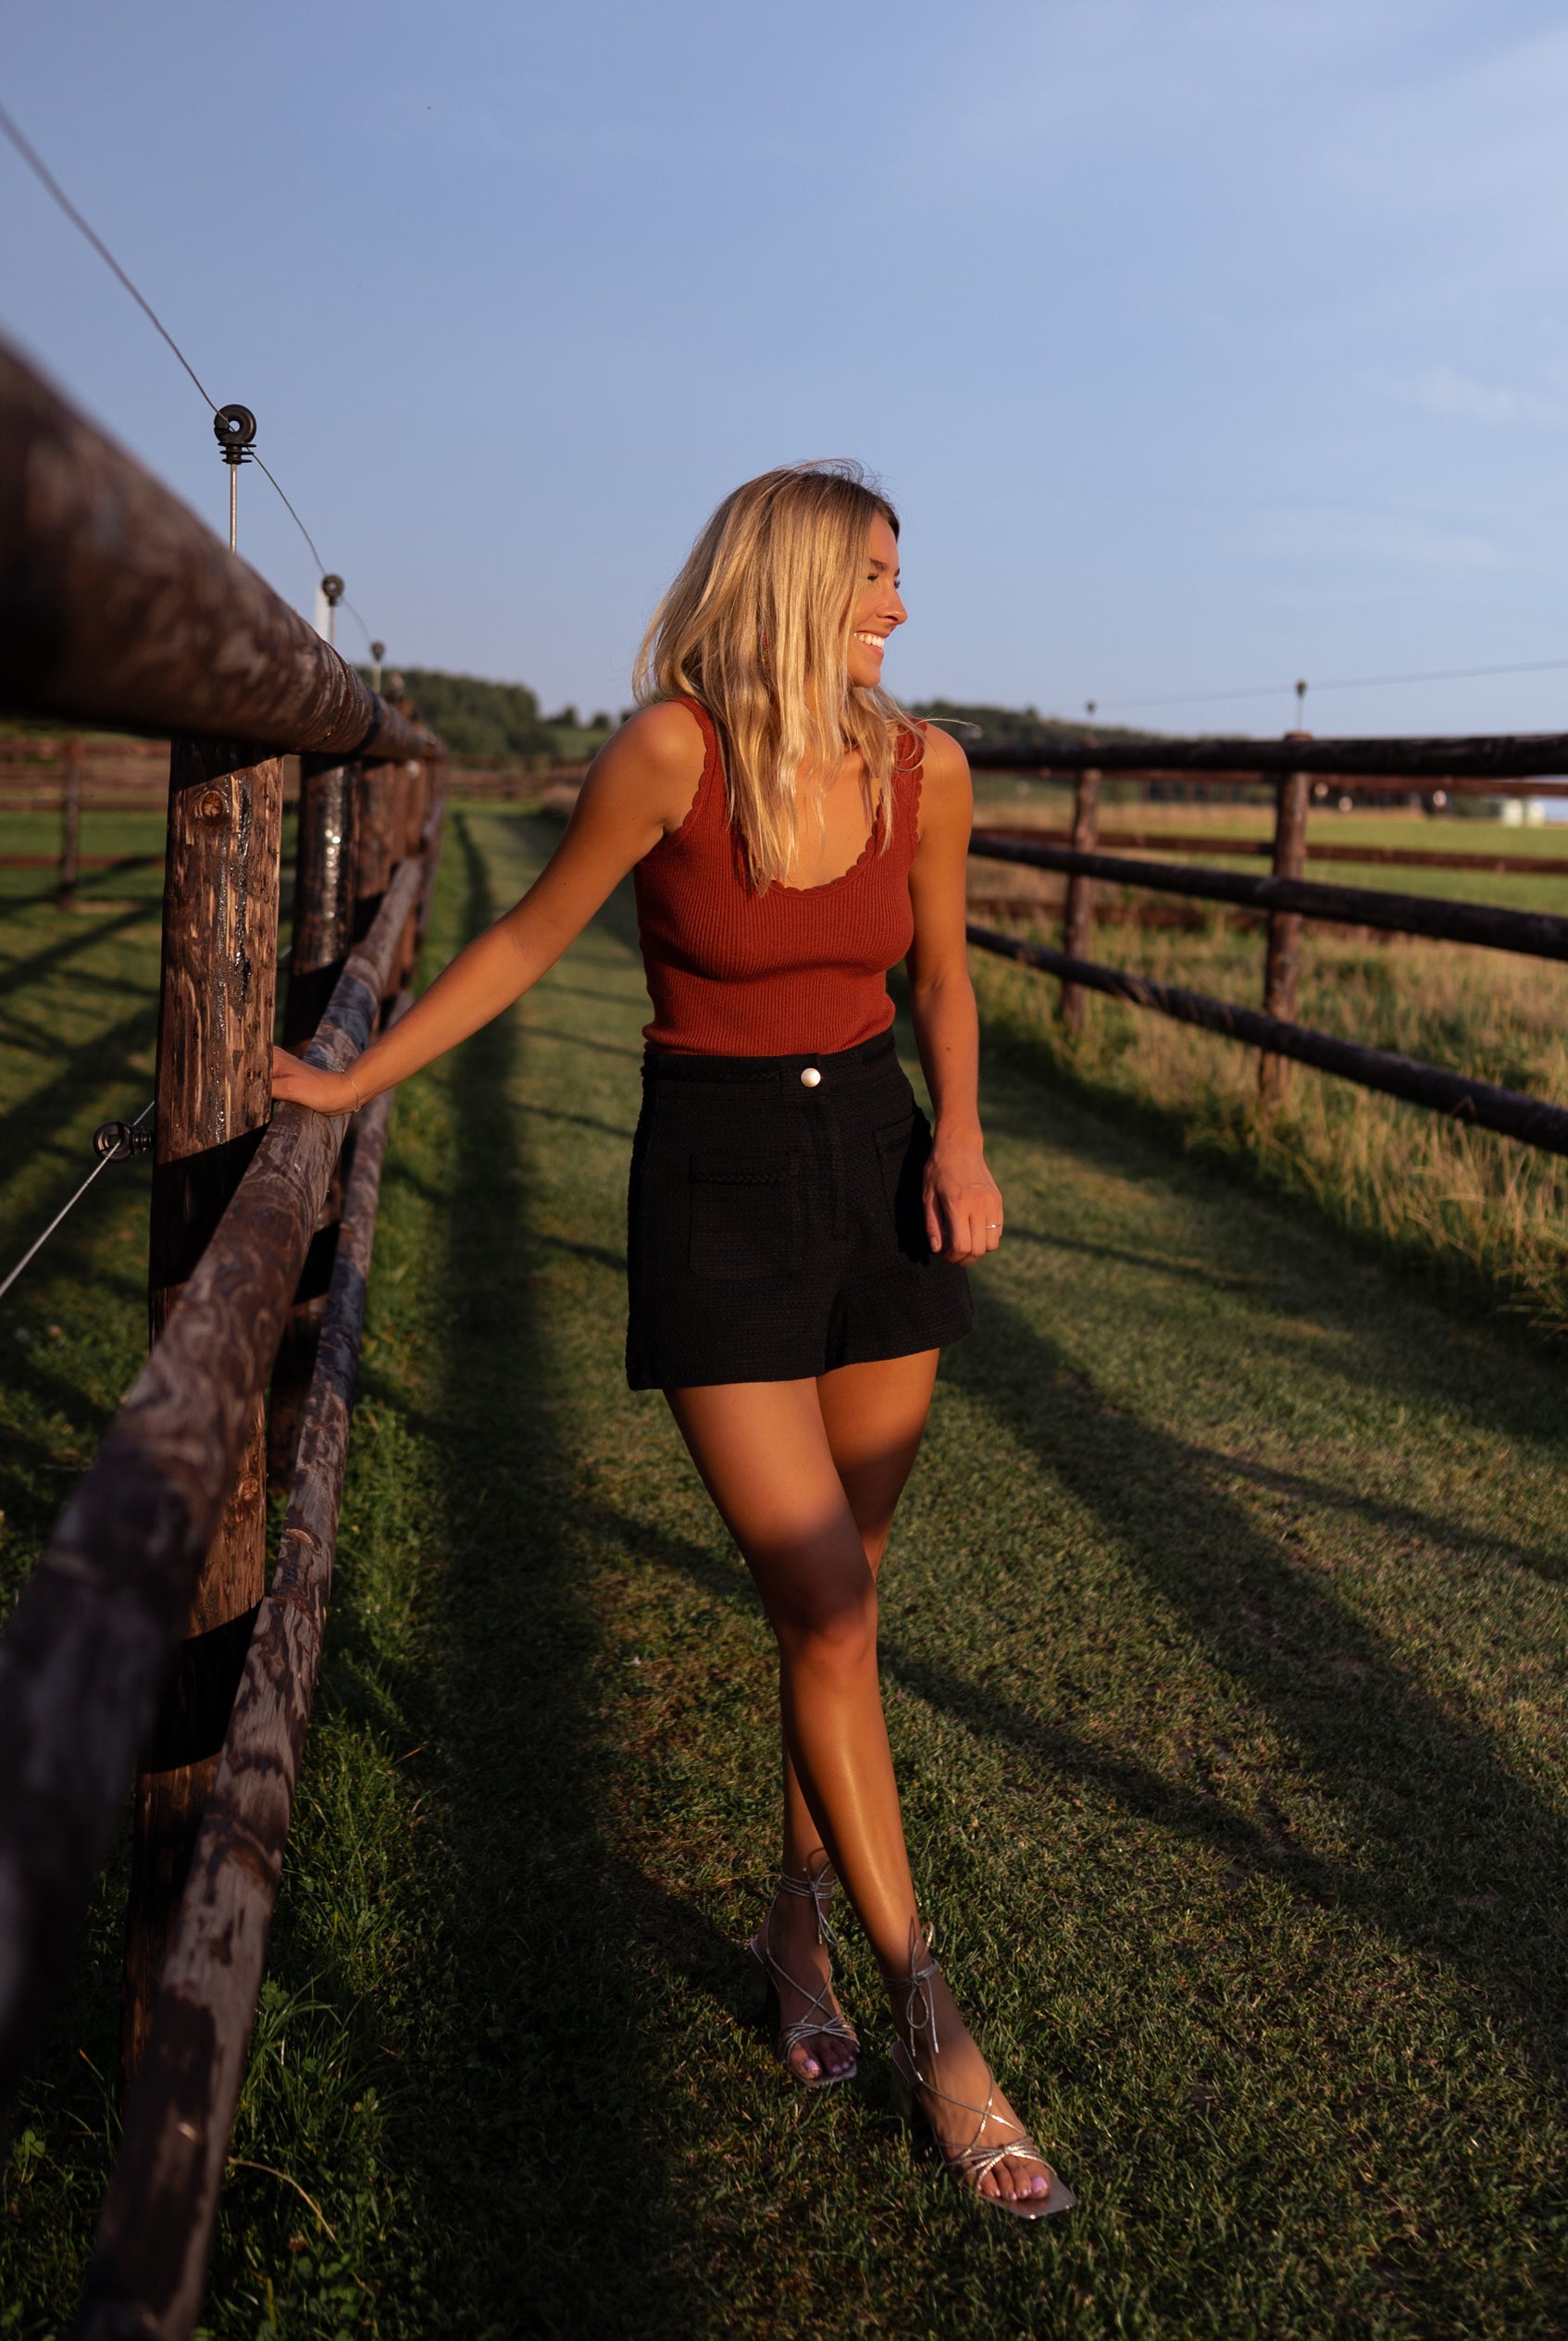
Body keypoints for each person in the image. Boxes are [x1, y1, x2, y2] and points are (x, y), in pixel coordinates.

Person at [272, 462, 1074, 2221]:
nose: (900, 606)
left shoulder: (926, 768)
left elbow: (939, 974)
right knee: (831, 1607)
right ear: (793, 578)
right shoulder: (667, 755)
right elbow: (525, 941)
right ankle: (936, 2023)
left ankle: (793, 1924)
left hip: (875, 1169)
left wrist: (957, 1135)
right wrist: (346, 1078)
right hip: (711, 1176)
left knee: (839, 1595)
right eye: (876, 573)